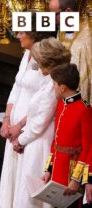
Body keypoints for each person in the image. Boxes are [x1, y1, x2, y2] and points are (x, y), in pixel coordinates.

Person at [0, 17, 55, 207]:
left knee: (26, 186)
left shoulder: (47, 59)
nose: (18, 35)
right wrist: (6, 119)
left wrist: (20, 126)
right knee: (12, 180)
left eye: (22, 32)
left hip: (31, 132)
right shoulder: (26, 54)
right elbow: (17, 87)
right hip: (13, 129)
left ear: (35, 34)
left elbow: (44, 104)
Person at [10, 37, 72, 207]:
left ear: (48, 63)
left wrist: (20, 140)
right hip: (34, 140)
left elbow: (39, 124)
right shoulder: (50, 81)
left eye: (39, 61)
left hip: (40, 144)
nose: (36, 64)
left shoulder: (53, 88)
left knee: (30, 194)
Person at [42, 62, 92, 207]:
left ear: (62, 88)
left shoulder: (84, 109)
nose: (53, 88)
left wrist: (76, 179)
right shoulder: (61, 104)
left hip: (71, 172)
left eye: (55, 85)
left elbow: (88, 148)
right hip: (57, 169)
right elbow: (55, 141)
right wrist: (48, 169)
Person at [49, 0, 92, 103]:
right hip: (61, 91)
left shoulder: (88, 34)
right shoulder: (62, 30)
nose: (52, 20)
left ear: (68, 11)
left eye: (54, 15)